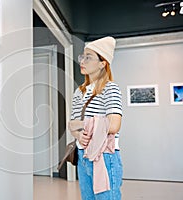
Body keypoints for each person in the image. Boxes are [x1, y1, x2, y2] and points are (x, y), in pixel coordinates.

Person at [70, 36, 123, 200]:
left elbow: (114, 125)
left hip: (105, 156)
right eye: (82, 56)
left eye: (88, 57)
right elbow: (71, 124)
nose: (82, 61)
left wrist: (82, 126)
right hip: (82, 156)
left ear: (102, 63)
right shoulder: (79, 92)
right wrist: (79, 135)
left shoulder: (110, 88)